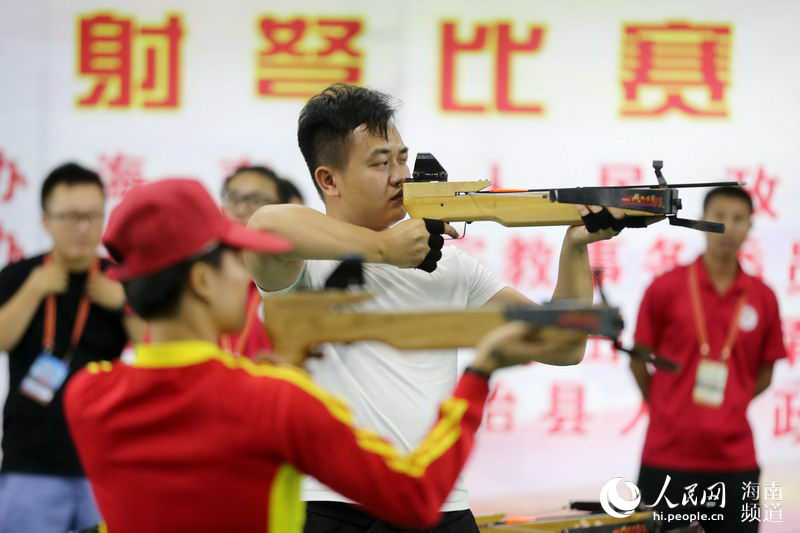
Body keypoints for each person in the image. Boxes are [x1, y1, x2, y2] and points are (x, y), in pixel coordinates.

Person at [64, 178, 574, 533]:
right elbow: (415, 498)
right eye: (232, 258)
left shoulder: (87, 395)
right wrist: (481, 373)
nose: (245, 273)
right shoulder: (272, 402)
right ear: (200, 280)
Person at [245, 83, 623, 532]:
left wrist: (576, 247)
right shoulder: (303, 262)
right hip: (334, 506)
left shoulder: (449, 264)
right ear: (329, 180)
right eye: (380, 163)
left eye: (402, 158)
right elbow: (265, 223)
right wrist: (382, 247)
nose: (399, 176)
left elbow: (563, 346)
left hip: (439, 506)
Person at [630, 187, 786, 532]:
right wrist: (663, 405)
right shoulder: (665, 287)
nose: (727, 227)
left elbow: (766, 372)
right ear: (701, 222)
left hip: (736, 462)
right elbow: (637, 359)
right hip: (666, 458)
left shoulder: (763, 297)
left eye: (737, 219)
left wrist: (734, 402)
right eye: (718, 216)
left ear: (750, 227)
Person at [0, 163, 139, 533]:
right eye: (70, 216)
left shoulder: (120, 279)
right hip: (31, 461)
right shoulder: (18, 275)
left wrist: (124, 302)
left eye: (93, 215)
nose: (83, 227)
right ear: (46, 220)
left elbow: (151, 344)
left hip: (104, 462)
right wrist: (34, 290)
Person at [219, 166, 289, 358]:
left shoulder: (294, 279)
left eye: (256, 200)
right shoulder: (200, 277)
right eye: (233, 198)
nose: (241, 210)